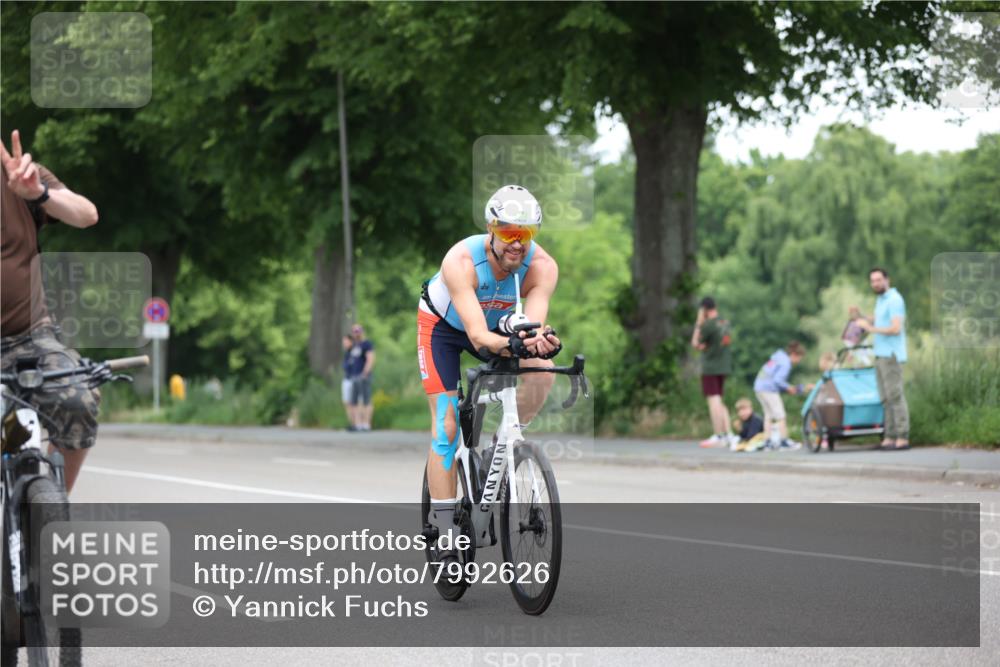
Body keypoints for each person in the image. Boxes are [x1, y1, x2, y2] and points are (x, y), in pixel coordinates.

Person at [418, 184, 561, 560]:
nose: (518, 243)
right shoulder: (461, 261)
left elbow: (529, 328)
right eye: (510, 233)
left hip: (498, 327)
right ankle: (446, 533)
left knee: (543, 370)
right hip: (445, 329)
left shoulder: (542, 267)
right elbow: (479, 336)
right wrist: (513, 342)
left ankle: (504, 446)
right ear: (491, 229)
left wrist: (541, 341)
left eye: (526, 234)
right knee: (447, 425)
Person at [1, 129, 100, 494]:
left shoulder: (21, 175)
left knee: (77, 399)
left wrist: (38, 193)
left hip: (28, 339)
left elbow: (86, 213)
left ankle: (53, 505)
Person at [851, 267, 909, 450]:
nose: (875, 284)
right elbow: (879, 319)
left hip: (891, 355)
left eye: (878, 280)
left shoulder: (894, 300)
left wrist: (870, 329)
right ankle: (890, 436)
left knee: (895, 396)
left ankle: (902, 435)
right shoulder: (881, 300)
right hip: (880, 354)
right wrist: (861, 318)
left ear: (887, 280)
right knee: (885, 398)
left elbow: (895, 328)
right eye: (872, 281)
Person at [691, 297, 737, 448]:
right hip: (724, 365)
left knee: (713, 400)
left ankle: (718, 435)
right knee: (720, 399)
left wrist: (698, 323)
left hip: (711, 366)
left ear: (704, 309)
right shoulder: (725, 322)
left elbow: (696, 343)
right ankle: (727, 432)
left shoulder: (708, 325)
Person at [753, 341, 813, 450]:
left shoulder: (778, 357)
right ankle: (783, 441)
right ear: (794, 354)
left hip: (759, 386)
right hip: (769, 389)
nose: (798, 361)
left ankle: (767, 441)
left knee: (769, 415)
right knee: (781, 415)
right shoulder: (786, 363)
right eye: (799, 358)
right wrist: (789, 387)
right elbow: (778, 380)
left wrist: (791, 388)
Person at [345, 324, 375, 431]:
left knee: (366, 400)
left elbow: (370, 358)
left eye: (358, 331)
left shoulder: (366, 344)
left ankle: (366, 424)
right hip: (354, 376)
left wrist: (365, 372)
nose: (356, 333)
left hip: (363, 376)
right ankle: (358, 424)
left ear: (361, 332)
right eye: (354, 331)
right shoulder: (354, 346)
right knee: (355, 402)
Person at [340, 334, 353, 425]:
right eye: (343, 341)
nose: (344, 343)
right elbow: (344, 366)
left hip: (353, 379)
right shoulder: (346, 353)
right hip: (346, 379)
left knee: (354, 402)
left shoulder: (355, 352)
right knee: (346, 402)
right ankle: (351, 422)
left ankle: (357, 423)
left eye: (345, 341)